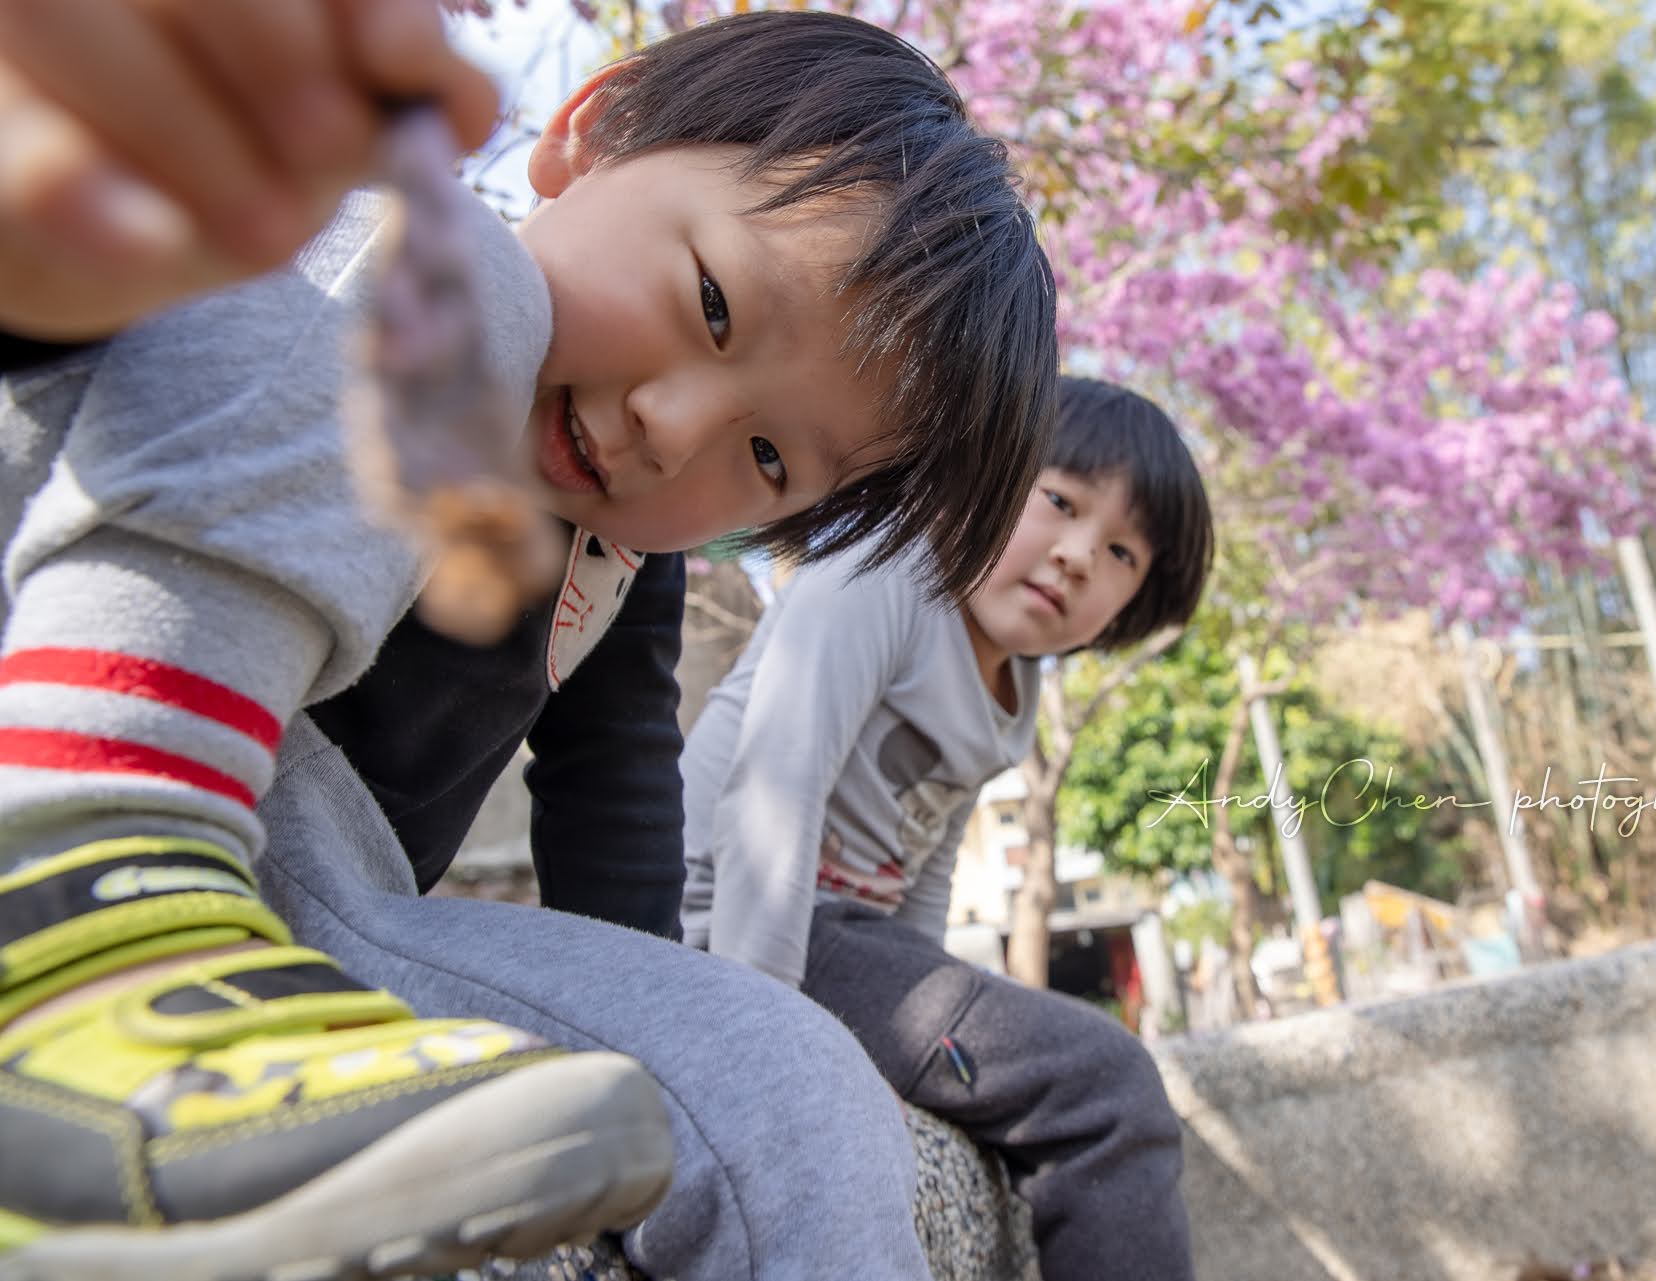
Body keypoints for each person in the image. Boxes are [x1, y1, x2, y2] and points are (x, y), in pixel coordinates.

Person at [0, 9, 1057, 1281]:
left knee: (788, 1078)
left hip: (315, 902)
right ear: (589, 133)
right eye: (711, 303)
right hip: (60, 708)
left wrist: (657, 1002)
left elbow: (612, 787)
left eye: (768, 457)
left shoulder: (619, 564)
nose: (674, 425)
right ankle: (84, 903)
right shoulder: (344, 250)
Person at [681, 377, 1215, 1281]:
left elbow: (918, 882)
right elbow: (775, 788)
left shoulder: (1015, 691)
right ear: (986, 471)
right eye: (1059, 501)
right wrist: (754, 1051)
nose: (1079, 555)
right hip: (725, 915)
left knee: (1066, 1070)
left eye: (1122, 551)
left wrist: (904, 1066)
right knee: (1109, 1089)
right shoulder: (885, 574)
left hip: (837, 945)